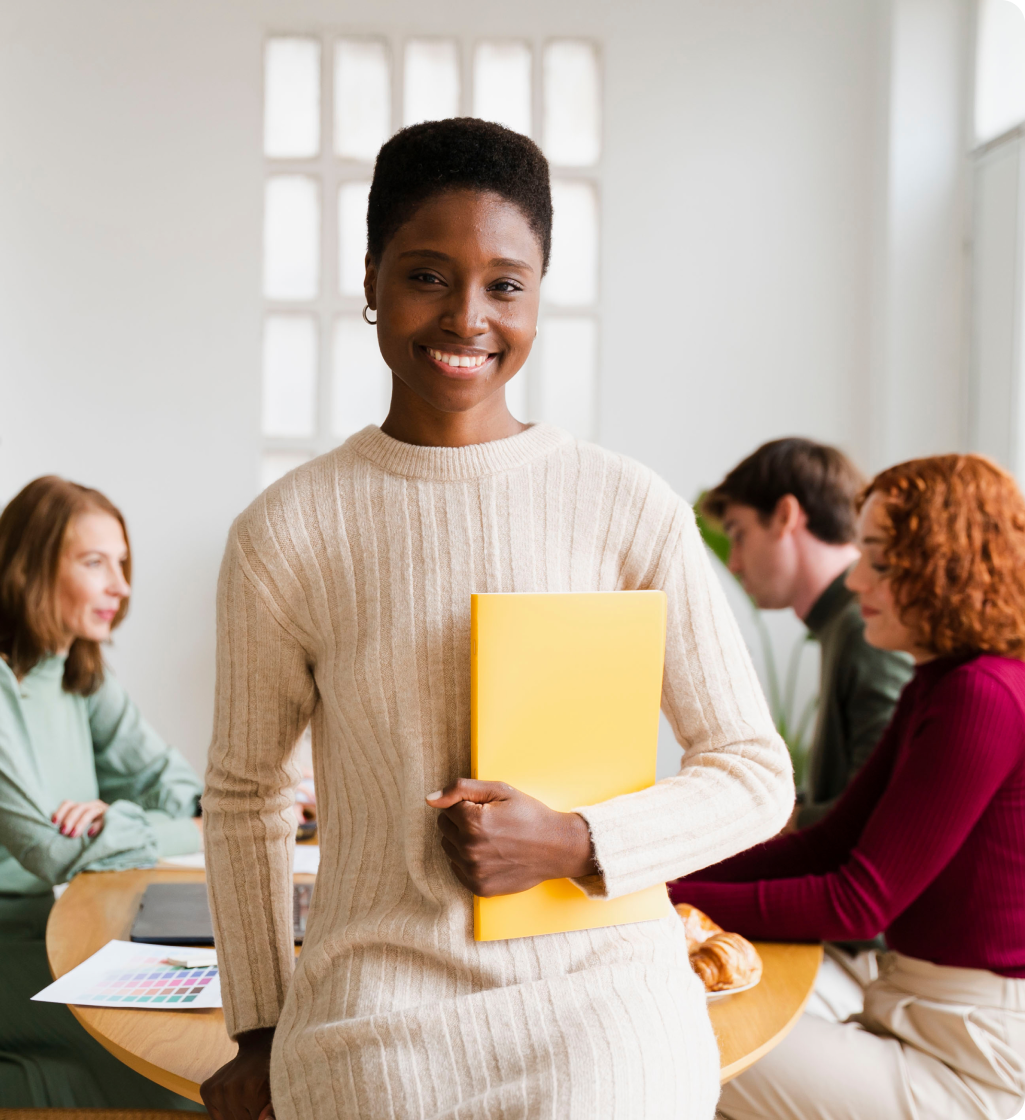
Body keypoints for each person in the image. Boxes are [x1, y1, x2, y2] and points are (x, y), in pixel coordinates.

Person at [199, 117, 793, 1120]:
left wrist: (574, 839)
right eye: (426, 275)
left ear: (536, 296)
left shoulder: (623, 504)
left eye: (504, 283)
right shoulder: (286, 530)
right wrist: (259, 1026)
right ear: (371, 281)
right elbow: (248, 791)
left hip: (603, 998)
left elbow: (751, 770)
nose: (467, 316)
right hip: (374, 1007)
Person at [674, 454, 1025, 1120]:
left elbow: (860, 902)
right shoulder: (941, 682)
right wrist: (661, 882)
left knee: (678, 1034)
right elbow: (830, 843)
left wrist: (658, 906)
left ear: (951, 569)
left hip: (970, 1056)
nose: (858, 577)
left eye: (883, 562)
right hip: (921, 1014)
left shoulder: (982, 695)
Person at [0, 475, 205, 1116]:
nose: (121, 587)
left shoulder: (75, 669)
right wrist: (177, 826)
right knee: (183, 1050)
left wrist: (119, 820)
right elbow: (48, 850)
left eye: (121, 564)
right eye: (95, 563)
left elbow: (185, 795)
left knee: (205, 1010)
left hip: (38, 927)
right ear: (30, 568)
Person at [702, 439, 912, 828]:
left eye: (738, 534)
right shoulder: (843, 624)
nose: (732, 563)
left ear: (785, 515)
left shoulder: (866, 626)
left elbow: (884, 811)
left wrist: (773, 824)